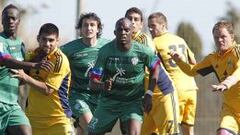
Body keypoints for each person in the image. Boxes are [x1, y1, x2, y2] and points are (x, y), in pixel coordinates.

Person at [87, 17, 161, 135]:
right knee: (91, 132)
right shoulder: (105, 52)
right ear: (115, 33)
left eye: (126, 30)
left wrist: (149, 93)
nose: (123, 33)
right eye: (120, 30)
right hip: (108, 102)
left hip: (133, 101)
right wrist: (102, 85)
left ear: (132, 32)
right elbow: (92, 82)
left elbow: (156, 66)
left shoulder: (143, 51)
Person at [169, 20, 240, 135]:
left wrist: (227, 83)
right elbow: (192, 71)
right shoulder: (212, 58)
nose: (219, 40)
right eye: (216, 37)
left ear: (232, 36)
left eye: (223, 36)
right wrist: (179, 61)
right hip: (230, 110)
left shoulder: (238, 52)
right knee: (223, 133)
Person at [12, 23, 73, 135]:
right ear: (38, 38)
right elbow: (19, 79)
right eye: (44, 39)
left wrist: (25, 77)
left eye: (51, 40)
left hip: (58, 121)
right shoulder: (31, 55)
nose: (47, 44)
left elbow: (48, 90)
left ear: (57, 41)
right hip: (33, 120)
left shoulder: (60, 60)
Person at [147, 12, 198, 135]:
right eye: (149, 26)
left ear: (163, 25)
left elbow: (152, 67)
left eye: (153, 26)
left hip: (175, 90)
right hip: (191, 89)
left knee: (165, 130)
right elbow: (193, 62)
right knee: (189, 130)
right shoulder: (180, 39)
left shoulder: (155, 42)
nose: (150, 29)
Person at [61, 12, 109, 135]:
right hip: (78, 95)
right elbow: (54, 57)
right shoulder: (69, 49)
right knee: (91, 128)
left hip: (100, 97)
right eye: (85, 25)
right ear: (80, 29)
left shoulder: (107, 46)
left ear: (98, 28)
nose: (89, 28)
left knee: (86, 131)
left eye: (92, 25)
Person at [0, 4, 32, 135]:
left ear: (19, 21)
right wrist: (34, 65)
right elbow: (5, 60)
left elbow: (22, 76)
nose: (10, 21)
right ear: (2, 20)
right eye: (7, 18)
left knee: (25, 132)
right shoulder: (0, 41)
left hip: (12, 105)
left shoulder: (21, 44)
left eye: (13, 18)